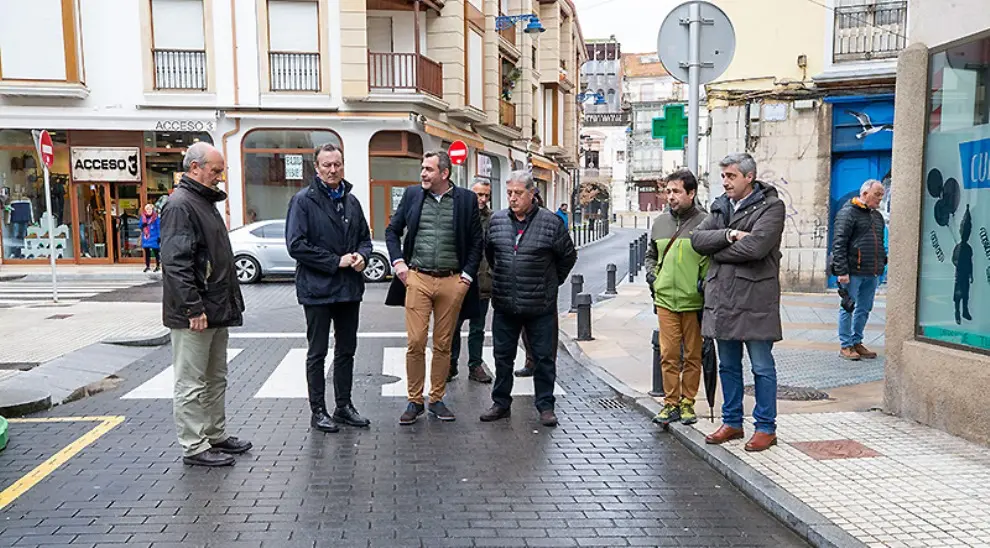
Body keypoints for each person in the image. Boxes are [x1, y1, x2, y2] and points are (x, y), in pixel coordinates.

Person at [160, 142, 250, 467]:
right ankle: (194, 445)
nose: (219, 177)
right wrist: (192, 308)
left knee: (215, 377)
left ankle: (215, 434)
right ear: (195, 168)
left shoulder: (200, 202)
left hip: (214, 308)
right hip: (196, 313)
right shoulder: (181, 205)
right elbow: (176, 262)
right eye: (215, 170)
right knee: (191, 381)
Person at [690, 152, 785, 453]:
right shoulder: (720, 206)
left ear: (749, 177)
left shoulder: (773, 206)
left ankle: (766, 427)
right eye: (723, 176)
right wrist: (730, 234)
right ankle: (732, 421)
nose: (725, 182)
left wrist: (717, 251)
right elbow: (697, 240)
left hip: (756, 299)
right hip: (723, 299)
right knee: (728, 366)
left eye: (731, 176)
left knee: (761, 367)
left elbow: (757, 247)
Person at [385, 151, 483, 425]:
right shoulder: (412, 196)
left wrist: (466, 277)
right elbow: (392, 231)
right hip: (418, 278)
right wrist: (399, 264)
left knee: (443, 344)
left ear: (444, 173)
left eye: (429, 169)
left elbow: (477, 241)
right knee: (415, 341)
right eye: (422, 169)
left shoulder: (465, 200)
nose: (423, 174)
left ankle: (436, 399)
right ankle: (414, 400)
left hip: (453, 281)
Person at [286, 143, 373, 433]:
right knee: (318, 352)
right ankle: (318, 410)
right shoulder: (303, 201)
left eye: (337, 164)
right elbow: (296, 245)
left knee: (346, 350)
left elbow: (365, 238)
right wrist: (336, 261)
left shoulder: (352, 201)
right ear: (317, 167)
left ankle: (344, 406)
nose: (333, 170)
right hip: (317, 290)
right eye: (327, 165)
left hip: (349, 289)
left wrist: (362, 256)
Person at [481, 171, 577, 427]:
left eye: (518, 193)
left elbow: (568, 257)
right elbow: (491, 253)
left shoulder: (551, 222)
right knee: (503, 357)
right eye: (509, 193)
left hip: (540, 305)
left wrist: (551, 282)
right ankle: (501, 403)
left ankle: (545, 406)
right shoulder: (497, 220)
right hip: (504, 302)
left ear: (532, 194)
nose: (512, 198)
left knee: (544, 358)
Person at [644, 169, 708, 427]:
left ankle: (687, 403)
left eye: (676, 191)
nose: (670, 197)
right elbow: (650, 255)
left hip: (694, 302)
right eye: (668, 191)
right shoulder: (660, 223)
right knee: (669, 354)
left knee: (693, 355)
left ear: (691, 193)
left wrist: (703, 284)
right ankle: (670, 403)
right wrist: (653, 277)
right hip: (665, 300)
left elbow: (711, 260)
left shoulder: (706, 221)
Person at [831, 179, 888, 360]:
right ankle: (845, 345)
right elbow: (839, 243)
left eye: (881, 195)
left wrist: (882, 262)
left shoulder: (876, 216)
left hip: (872, 272)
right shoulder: (848, 213)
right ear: (865, 194)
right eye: (877, 194)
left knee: (865, 308)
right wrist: (841, 271)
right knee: (848, 307)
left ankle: (857, 341)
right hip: (852, 271)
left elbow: (879, 241)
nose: (880, 199)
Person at [448, 178, 495, 384]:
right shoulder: (458, 215)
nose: (482, 199)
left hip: (483, 282)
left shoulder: (493, 219)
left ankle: (475, 365)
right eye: (479, 194)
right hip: (458, 280)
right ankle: (450, 365)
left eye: (486, 195)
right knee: (453, 326)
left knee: (477, 328)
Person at [140, 203, 161, 272]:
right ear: (145, 210)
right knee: (147, 252)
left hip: (154, 236)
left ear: (152, 209)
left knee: (156, 252)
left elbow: (158, 227)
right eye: (147, 209)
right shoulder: (143, 217)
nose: (149, 210)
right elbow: (140, 226)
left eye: (150, 209)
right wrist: (142, 225)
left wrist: (159, 236)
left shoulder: (155, 217)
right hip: (146, 237)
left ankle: (158, 266)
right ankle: (147, 266)